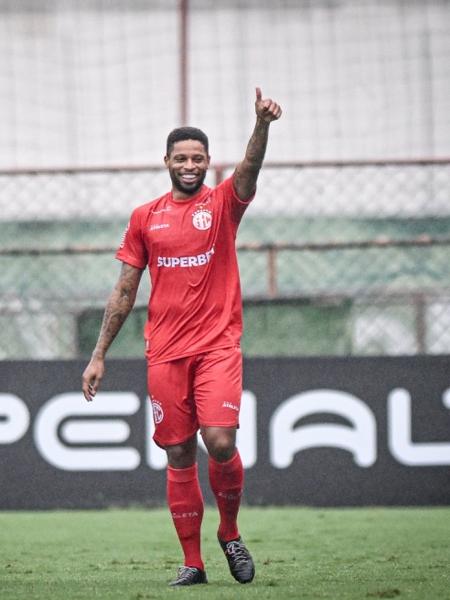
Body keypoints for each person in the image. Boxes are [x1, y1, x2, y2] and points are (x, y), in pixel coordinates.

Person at [81, 87, 282, 586]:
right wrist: (98, 355)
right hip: (165, 354)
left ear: (209, 162)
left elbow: (251, 171)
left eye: (198, 158)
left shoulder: (222, 206)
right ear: (166, 161)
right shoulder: (145, 218)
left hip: (217, 347)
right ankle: (193, 564)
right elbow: (125, 290)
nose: (189, 165)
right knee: (177, 453)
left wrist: (262, 124)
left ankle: (229, 533)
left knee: (219, 441)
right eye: (181, 158)